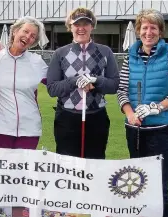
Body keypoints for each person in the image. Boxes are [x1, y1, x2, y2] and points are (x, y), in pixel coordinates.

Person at [117, 9, 168, 217]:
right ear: (138, 30)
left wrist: (156, 107)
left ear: (160, 31)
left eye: (153, 28)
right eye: (145, 27)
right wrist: (130, 113)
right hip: (135, 129)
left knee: (159, 187)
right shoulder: (131, 56)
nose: (149, 32)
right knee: (138, 184)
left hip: (161, 128)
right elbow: (122, 90)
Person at [46, 7, 120, 159]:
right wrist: (75, 81)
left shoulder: (105, 52)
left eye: (86, 24)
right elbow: (52, 89)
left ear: (92, 26)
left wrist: (95, 80)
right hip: (67, 118)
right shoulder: (60, 53)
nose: (81, 28)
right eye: (77, 24)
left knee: (95, 163)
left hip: (96, 117)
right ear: (70, 27)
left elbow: (114, 85)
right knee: (67, 165)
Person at [0, 16, 49, 149]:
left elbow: (56, 83)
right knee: (4, 169)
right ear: (15, 31)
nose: (28, 37)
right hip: (2, 127)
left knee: (25, 169)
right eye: (25, 31)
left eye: (33, 36)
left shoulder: (36, 62)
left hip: (30, 128)